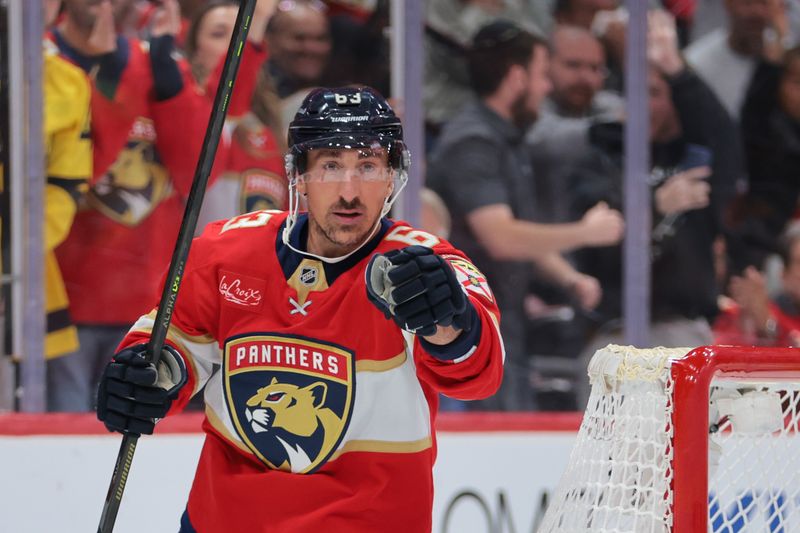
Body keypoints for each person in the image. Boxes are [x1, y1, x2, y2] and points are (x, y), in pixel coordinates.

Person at [95, 86, 505, 532]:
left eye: (368, 167)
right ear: (300, 176)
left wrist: (447, 320)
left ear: (392, 177)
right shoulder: (225, 251)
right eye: (330, 166)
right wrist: (146, 374)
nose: (350, 191)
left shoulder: (426, 267)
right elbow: (172, 343)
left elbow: (480, 374)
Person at [427, 20, 624, 411]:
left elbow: (519, 234)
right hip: (468, 331)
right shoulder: (474, 142)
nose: (546, 87)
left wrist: (567, 276)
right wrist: (585, 232)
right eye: (540, 76)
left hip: (502, 326)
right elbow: (502, 237)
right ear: (517, 77)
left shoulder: (506, 138)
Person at [50, 0, 212, 411]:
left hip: (149, 301)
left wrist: (168, 72)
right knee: (65, 448)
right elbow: (80, 168)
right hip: (61, 297)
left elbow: (196, 171)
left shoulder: (153, 62)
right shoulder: (41, 61)